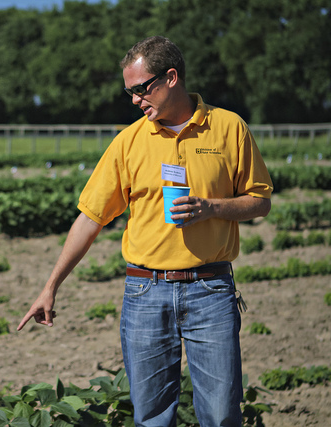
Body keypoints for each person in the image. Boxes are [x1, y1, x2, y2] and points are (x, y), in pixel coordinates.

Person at [17, 36, 273, 427]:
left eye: (141, 89)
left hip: (211, 289)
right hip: (145, 292)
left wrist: (211, 208)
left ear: (171, 78)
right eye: (129, 92)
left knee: (222, 415)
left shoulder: (228, 128)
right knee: (151, 417)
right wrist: (51, 285)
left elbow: (260, 200)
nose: (135, 100)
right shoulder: (128, 142)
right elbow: (90, 217)